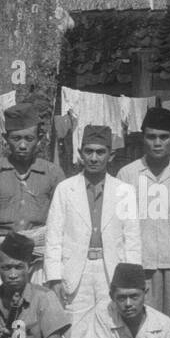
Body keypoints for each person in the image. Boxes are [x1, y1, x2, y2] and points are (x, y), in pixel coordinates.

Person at [43, 124, 141, 319]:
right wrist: (54, 278)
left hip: (112, 269)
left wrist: (132, 279)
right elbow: (53, 237)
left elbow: (132, 239)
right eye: (89, 152)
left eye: (100, 152)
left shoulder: (124, 191)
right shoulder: (65, 189)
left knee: (112, 325)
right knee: (74, 327)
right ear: (81, 154)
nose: (94, 158)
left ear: (110, 155)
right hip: (75, 271)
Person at [0, 103, 64, 291]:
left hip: (39, 262)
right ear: (6, 139)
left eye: (29, 138)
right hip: (1, 263)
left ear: (39, 139)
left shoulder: (53, 174)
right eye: (16, 138)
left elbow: (61, 225)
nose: (22, 145)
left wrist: (56, 272)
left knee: (39, 314)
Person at [117, 106, 170, 313]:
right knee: (145, 326)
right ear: (143, 138)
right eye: (151, 137)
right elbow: (118, 226)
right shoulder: (126, 174)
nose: (157, 143)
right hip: (141, 266)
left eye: (163, 137)